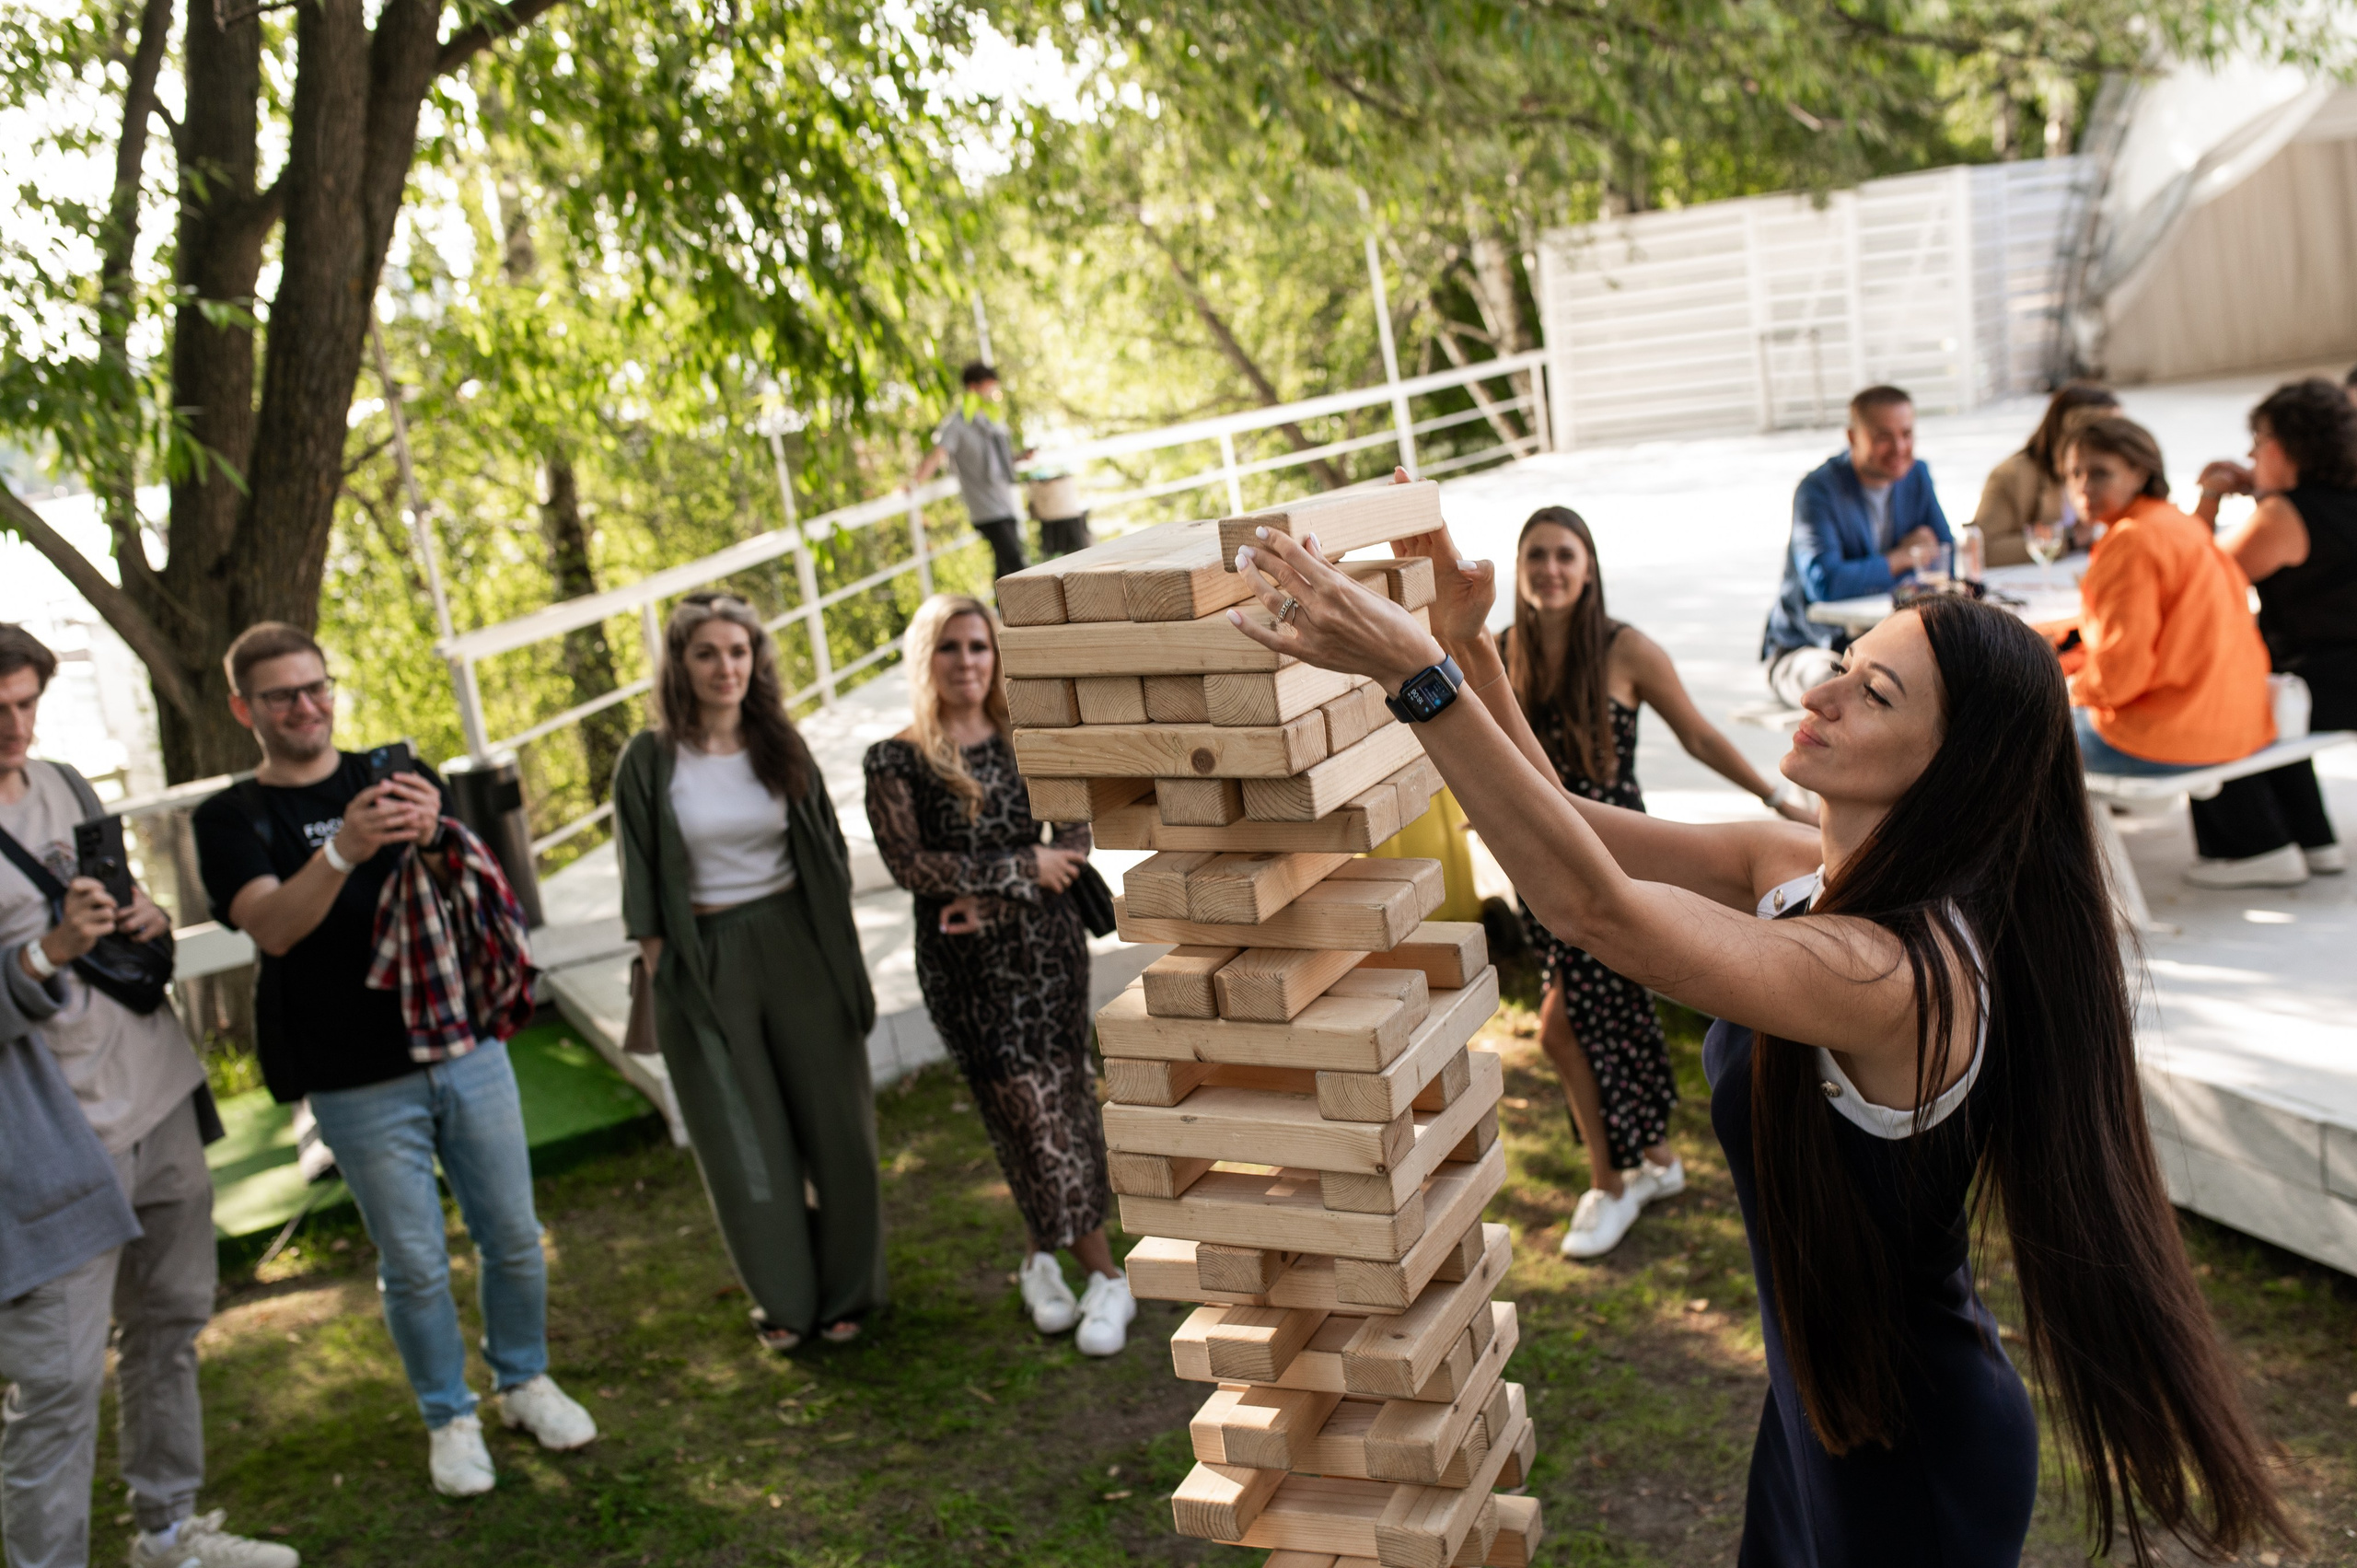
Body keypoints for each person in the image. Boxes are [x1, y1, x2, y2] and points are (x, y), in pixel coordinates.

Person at [1224, 498, 2293, 1566]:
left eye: (1872, 692)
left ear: (1946, 767)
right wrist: (1468, 647)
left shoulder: (1894, 973)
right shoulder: (1796, 867)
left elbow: (1597, 911)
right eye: (1842, 657)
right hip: (1815, 1406)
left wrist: (1420, 681)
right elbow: (1574, 831)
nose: (1820, 690)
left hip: (1910, 1444)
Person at [192, 624, 595, 1498]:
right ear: (243, 709)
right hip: (351, 1073)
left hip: (464, 1042)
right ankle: (449, 1417)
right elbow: (271, 926)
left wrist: (438, 830)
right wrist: (344, 848)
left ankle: (522, 1380)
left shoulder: (393, 774)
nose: (307, 706)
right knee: (413, 1261)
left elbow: (472, 889)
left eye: (317, 686)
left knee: (516, 1239)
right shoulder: (232, 817)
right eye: (282, 696)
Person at [0, 627, 295, 1568]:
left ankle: (167, 1531)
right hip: (53, 1151)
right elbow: (45, 956)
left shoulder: (67, 782)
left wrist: (145, 919)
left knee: (168, 1326)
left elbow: (120, 910)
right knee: (56, 1386)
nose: (15, 725)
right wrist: (47, 954)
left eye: (25, 702)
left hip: (156, 1098)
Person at [1498, 506, 1814, 1260]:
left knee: (1562, 1026)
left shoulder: (1625, 647)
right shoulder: (1502, 651)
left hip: (1613, 859)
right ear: (1518, 568)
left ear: (1589, 565)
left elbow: (1698, 733)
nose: (1550, 569)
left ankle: (1612, 1182)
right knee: (1606, 1016)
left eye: (1564, 555)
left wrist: (1776, 799)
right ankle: (1654, 1161)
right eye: (1536, 555)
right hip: (1535, 860)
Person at [611, 593, 884, 1353]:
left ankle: (849, 1289)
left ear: (755, 660)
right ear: (680, 664)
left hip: (799, 941)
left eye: (738, 651)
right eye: (707, 653)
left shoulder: (780, 743)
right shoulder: (648, 758)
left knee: (838, 1127)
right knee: (744, 1136)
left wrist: (841, 961)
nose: (725, 666)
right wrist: (670, 973)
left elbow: (825, 850)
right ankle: (787, 1300)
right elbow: (639, 879)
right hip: (707, 954)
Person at [862, 594, 1132, 1354]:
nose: (968, 661)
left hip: (1048, 953)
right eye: (950, 647)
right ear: (927, 659)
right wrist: (1020, 867)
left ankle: (1039, 1259)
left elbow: (1073, 831)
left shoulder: (1028, 737)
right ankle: (1108, 1275)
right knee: (1022, 1108)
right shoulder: (896, 758)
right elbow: (912, 863)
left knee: (1062, 1100)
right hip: (967, 970)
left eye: (979, 645)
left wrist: (990, 886)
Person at [2061, 417, 2296, 889]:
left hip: (2171, 734)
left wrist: (2062, 686)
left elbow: (2119, 677)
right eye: (2074, 474)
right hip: (2238, 722)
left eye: (2100, 472)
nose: (2085, 486)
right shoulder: (2176, 526)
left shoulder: (2129, 542)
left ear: (2140, 472)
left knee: (2006, 730)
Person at [2197, 377, 2357, 877]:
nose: (2250, 453)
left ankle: (2253, 848)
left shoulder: (2284, 516)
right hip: (2337, 679)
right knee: (2272, 680)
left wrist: (2210, 499)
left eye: (2258, 442)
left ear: (2283, 448)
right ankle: (2313, 837)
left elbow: (2193, 579)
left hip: (2324, 685)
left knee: (2208, 690)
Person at [1760, 386, 1952, 706]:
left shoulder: (1916, 474)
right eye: (1883, 437)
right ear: (1852, 438)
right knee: (1849, 696)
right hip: (1810, 647)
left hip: (1880, 645)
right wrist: (1901, 558)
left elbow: (1945, 557)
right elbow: (1826, 583)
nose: (1899, 447)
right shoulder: (1817, 491)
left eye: (1906, 433)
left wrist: (1870, 572)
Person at [907, 362, 1036, 581]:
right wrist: (913, 483)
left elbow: (998, 460)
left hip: (1004, 501)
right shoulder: (956, 424)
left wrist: (1019, 457)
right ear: (973, 388)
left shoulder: (990, 419)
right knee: (1016, 565)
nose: (993, 394)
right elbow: (937, 455)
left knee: (1005, 569)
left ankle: (997, 612)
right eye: (989, 388)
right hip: (985, 509)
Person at [1971, 381, 2119, 565]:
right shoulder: (2011, 476)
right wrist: (2070, 539)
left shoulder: (2118, 475)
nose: (2119, 441)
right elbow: (1982, 550)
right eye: (2109, 431)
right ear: (2070, 432)